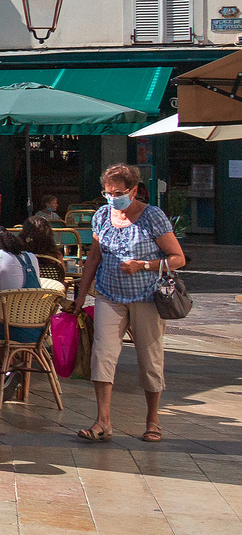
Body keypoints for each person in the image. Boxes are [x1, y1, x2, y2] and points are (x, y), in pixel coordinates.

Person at [72, 164, 184, 444]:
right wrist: (80, 296)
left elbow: (178, 258)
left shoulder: (152, 217)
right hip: (109, 295)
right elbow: (93, 258)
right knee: (102, 355)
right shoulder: (101, 216)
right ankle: (103, 421)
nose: (112, 198)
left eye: (118, 193)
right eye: (107, 193)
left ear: (133, 191)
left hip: (146, 297)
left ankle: (153, 420)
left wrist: (144, 265)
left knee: (149, 360)